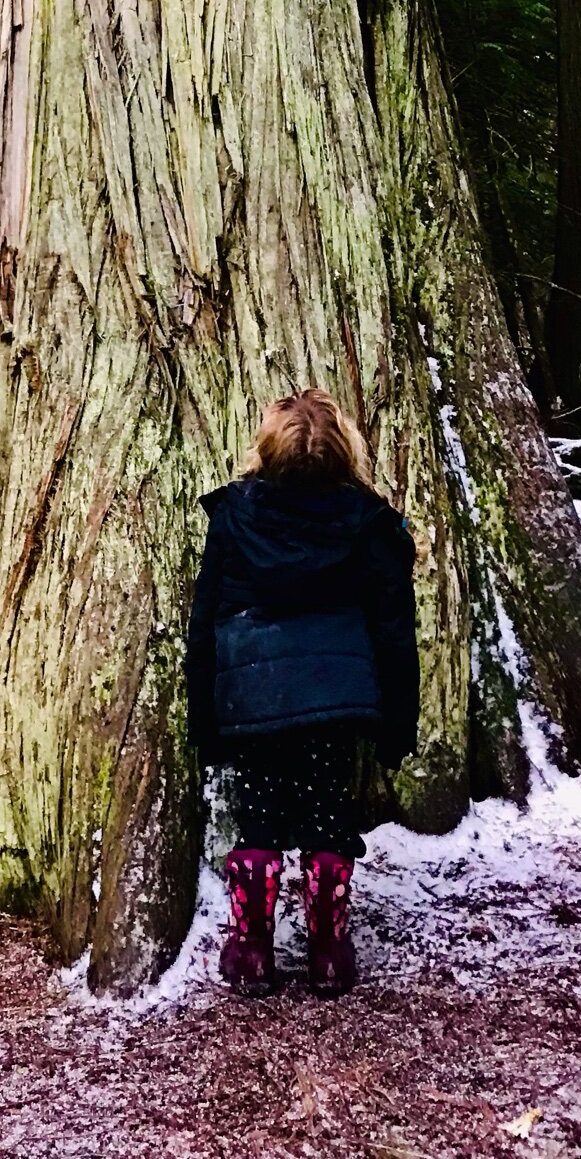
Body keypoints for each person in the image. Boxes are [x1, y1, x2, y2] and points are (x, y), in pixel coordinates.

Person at [185, 388, 419, 998]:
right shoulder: (369, 524)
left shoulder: (234, 518)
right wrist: (398, 720)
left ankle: (252, 952)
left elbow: (205, 620)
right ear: (344, 453)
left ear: (266, 452)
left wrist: (205, 721)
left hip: (254, 697)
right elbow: (395, 628)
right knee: (326, 811)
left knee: (259, 813)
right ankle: (328, 954)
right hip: (336, 700)